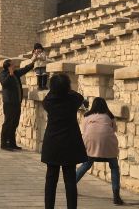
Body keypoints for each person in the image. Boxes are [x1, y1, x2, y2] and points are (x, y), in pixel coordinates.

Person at [41, 73, 88, 209]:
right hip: (69, 144)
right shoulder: (73, 101)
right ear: (67, 86)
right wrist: (68, 90)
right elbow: (79, 96)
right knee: (70, 181)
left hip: (52, 144)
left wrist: (55, 89)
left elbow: (47, 96)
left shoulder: (48, 102)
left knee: (51, 180)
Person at [77, 97, 124, 205]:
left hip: (91, 142)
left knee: (86, 164)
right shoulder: (110, 116)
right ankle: (116, 196)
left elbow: (84, 130)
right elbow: (114, 130)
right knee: (114, 167)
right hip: (108, 144)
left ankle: (70, 186)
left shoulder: (87, 116)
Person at [0, 51, 35, 150]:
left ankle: (12, 143)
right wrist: (10, 74)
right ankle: (4, 144)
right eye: (12, 65)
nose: (14, 66)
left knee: (14, 123)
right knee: (8, 123)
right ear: (8, 67)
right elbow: (4, 84)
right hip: (9, 103)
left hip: (16, 103)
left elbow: (24, 69)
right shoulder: (3, 74)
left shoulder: (15, 73)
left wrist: (33, 61)